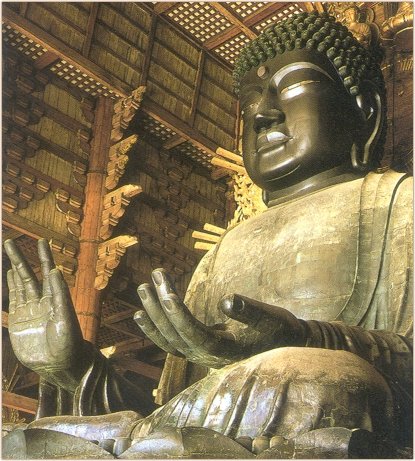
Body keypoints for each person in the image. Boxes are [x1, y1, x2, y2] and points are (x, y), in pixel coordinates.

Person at [3, 11, 412, 459]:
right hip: (216, 423)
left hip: (314, 391)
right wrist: (73, 368)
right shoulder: (222, 251)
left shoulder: (400, 202)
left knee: (313, 378)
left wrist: (304, 335)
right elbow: (179, 406)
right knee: (27, 437)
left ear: (364, 111)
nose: (263, 114)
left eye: (292, 86)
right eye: (250, 101)